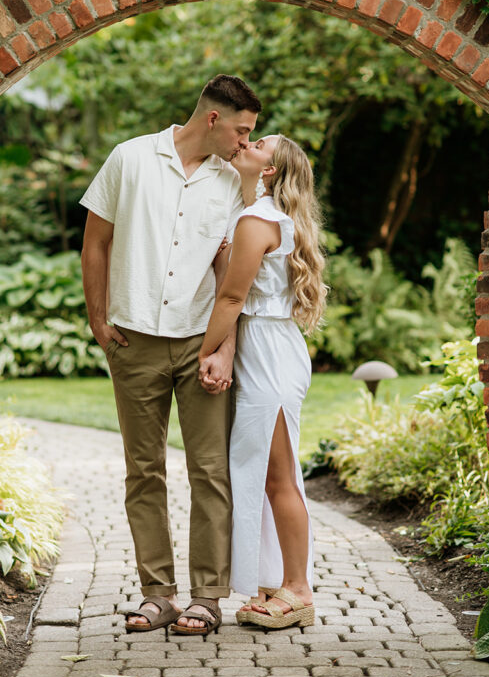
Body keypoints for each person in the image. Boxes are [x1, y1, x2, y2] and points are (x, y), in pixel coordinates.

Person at [80, 74, 261, 636]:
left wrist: (225, 348)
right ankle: (157, 594)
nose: (245, 142)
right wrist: (98, 318)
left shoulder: (234, 182)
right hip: (133, 339)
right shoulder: (130, 160)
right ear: (213, 119)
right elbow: (96, 242)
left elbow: (233, 274)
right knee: (144, 470)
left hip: (199, 340)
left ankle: (208, 596)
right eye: (241, 130)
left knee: (210, 470)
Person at [198, 134, 327, 629]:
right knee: (261, 471)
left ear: (269, 170)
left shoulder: (259, 220)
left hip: (268, 355)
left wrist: (206, 352)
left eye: (259, 143)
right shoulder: (262, 215)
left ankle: (298, 590)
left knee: (279, 474)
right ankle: (277, 581)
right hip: (270, 346)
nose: (246, 142)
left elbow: (232, 299)